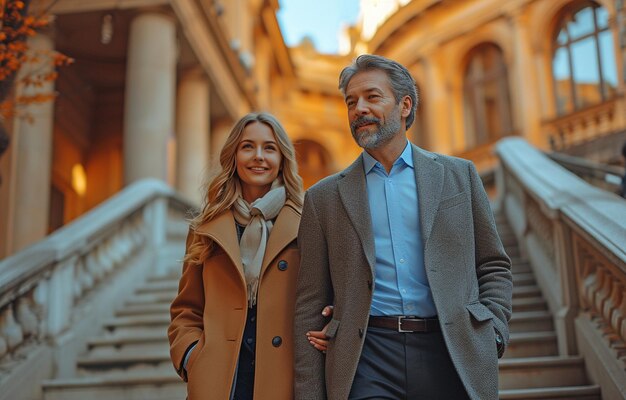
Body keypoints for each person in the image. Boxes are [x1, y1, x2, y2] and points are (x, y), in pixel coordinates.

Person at [294, 54, 513, 400]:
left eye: (372, 97)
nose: (359, 109)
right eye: (351, 102)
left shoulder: (460, 176)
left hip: (450, 350)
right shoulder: (323, 198)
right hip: (366, 358)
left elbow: (493, 264)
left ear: (405, 105)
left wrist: (494, 330)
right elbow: (309, 302)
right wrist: (309, 393)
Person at [168, 112, 328, 400]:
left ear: (282, 158)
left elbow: (324, 296)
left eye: (269, 148)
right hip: (219, 378)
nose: (258, 157)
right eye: (247, 147)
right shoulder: (206, 227)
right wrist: (191, 355)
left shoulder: (307, 222)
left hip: (284, 377)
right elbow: (186, 309)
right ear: (233, 155)